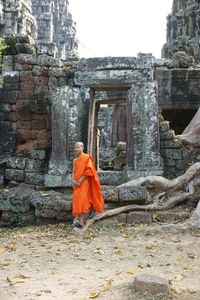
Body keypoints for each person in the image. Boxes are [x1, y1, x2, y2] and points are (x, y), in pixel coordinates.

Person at [72, 142, 104, 228]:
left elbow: (89, 171)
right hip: (76, 184)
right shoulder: (75, 160)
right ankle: (81, 222)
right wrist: (74, 180)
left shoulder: (87, 158)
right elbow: (73, 171)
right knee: (77, 202)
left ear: (82, 148)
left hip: (84, 183)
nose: (76, 149)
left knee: (82, 201)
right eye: (75, 148)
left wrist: (80, 180)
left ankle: (82, 221)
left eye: (77, 147)